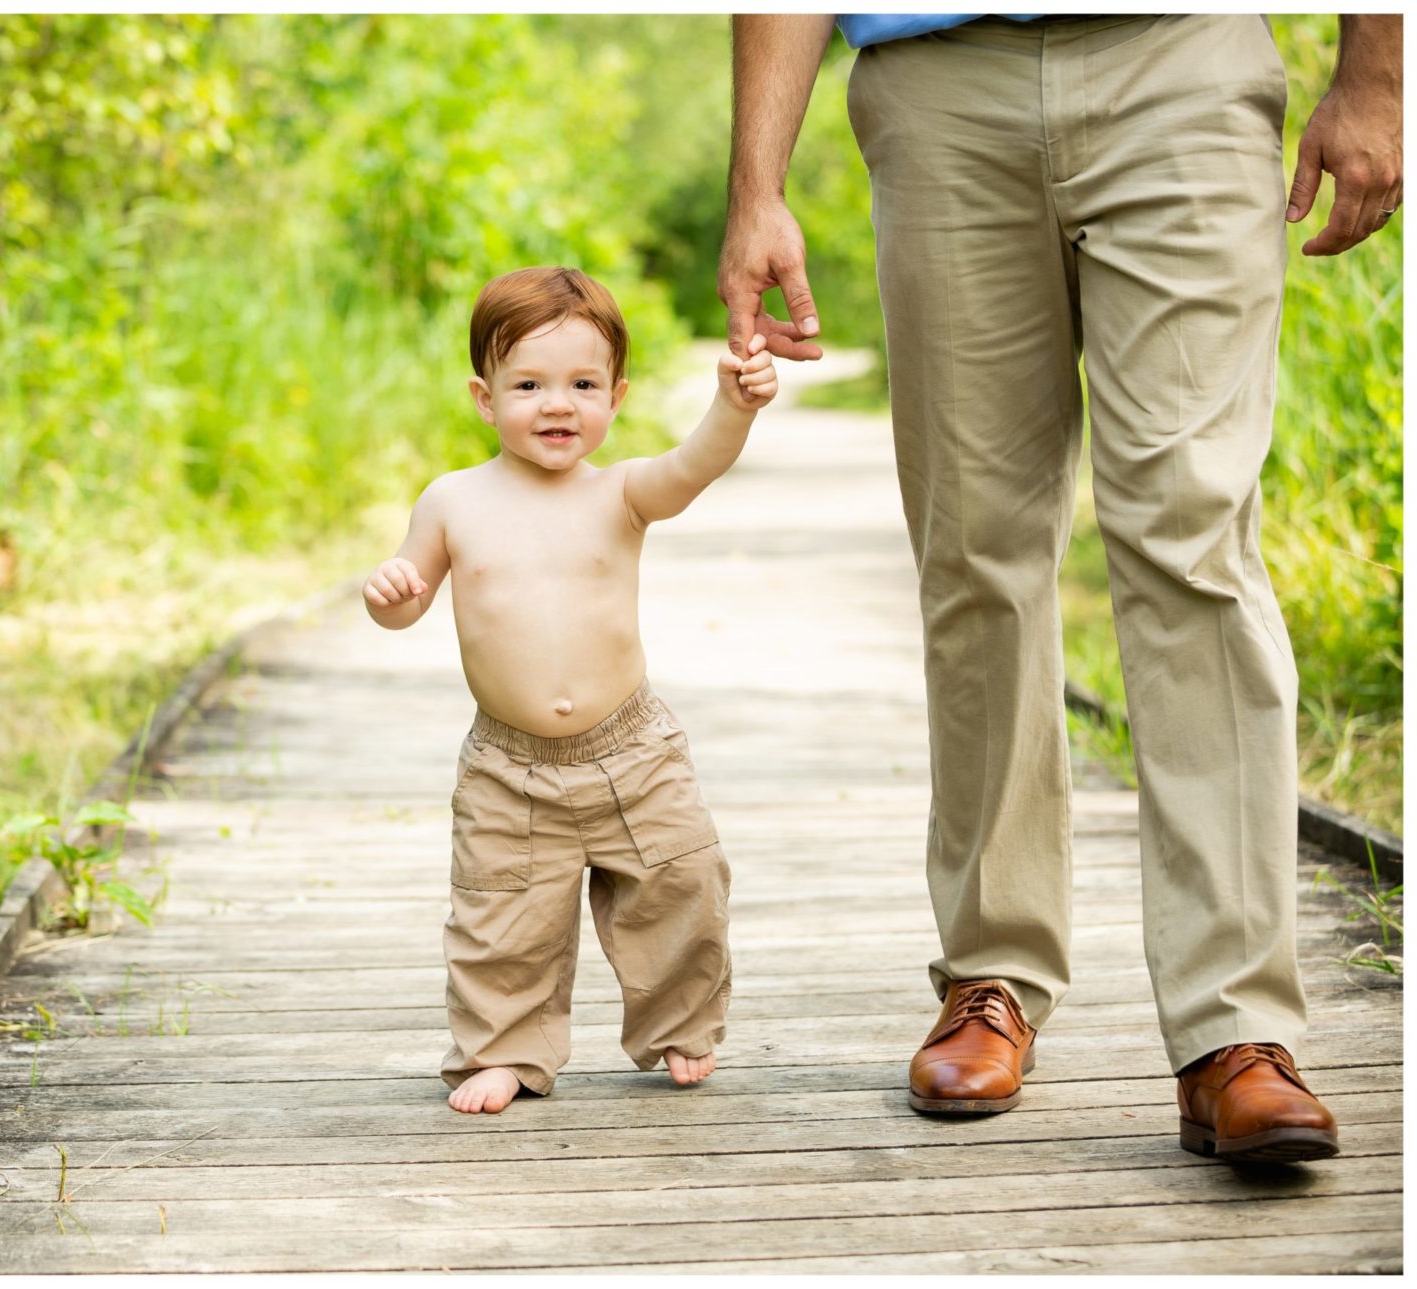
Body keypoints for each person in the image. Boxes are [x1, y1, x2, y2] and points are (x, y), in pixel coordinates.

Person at [721, 13, 1400, 1164]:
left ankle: (1234, 1025)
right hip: (937, 82)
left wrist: (1378, 70)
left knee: (1191, 535)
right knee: (975, 541)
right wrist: (756, 183)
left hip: (1179, 53)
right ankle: (992, 973)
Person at [365, 266, 777, 1114]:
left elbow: (695, 466)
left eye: (583, 384)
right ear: (485, 398)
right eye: (530, 385)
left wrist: (734, 406)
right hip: (508, 767)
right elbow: (410, 606)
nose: (558, 404)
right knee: (500, 915)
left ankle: (680, 1021)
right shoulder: (452, 501)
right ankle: (503, 1049)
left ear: (616, 396)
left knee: (681, 881)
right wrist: (395, 597)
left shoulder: (620, 491)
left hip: (631, 748)